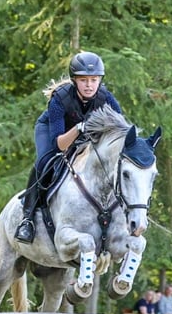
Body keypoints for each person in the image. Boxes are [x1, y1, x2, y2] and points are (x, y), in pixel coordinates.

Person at [14, 51, 123, 243]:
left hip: (85, 136)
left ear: (100, 80)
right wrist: (80, 127)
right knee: (44, 162)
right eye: (83, 80)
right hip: (54, 132)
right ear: (74, 80)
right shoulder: (60, 99)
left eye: (94, 80)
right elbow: (60, 144)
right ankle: (27, 219)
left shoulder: (106, 98)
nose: (89, 85)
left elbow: (122, 129)